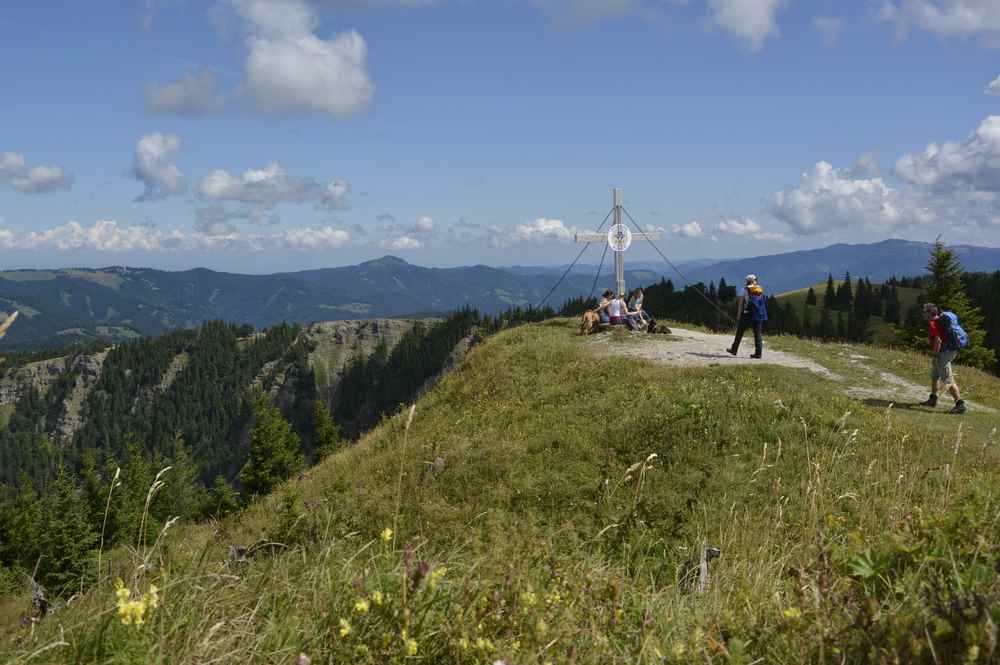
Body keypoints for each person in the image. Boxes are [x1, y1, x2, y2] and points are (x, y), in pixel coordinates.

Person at [920, 303, 967, 414]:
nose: (922, 314)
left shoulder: (933, 323)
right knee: (935, 375)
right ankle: (933, 399)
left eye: (924, 312)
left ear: (929, 313)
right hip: (947, 351)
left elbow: (938, 340)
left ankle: (960, 404)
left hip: (943, 353)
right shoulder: (938, 321)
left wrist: (936, 356)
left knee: (948, 379)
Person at [727, 274, 766, 358]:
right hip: (759, 313)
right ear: (755, 280)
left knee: (740, 332)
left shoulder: (744, 289)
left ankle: (734, 350)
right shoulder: (759, 288)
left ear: (747, 281)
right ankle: (758, 353)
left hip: (747, 313)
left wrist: (738, 315)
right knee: (758, 334)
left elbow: (741, 304)